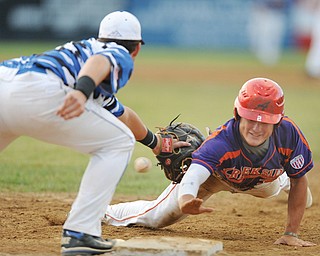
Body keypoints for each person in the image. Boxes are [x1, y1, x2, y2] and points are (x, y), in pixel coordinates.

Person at [0, 11, 187, 255]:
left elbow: (123, 115)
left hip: (6, 80)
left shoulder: (82, 53)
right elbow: (102, 61)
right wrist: (81, 90)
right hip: (39, 91)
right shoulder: (117, 53)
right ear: (137, 49)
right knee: (119, 143)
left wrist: (156, 143)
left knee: (117, 135)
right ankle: (80, 233)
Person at [104, 77, 316, 247]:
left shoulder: (289, 134)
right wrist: (186, 198)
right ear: (238, 114)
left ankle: (285, 177)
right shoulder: (221, 142)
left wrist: (291, 233)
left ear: (278, 121)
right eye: (251, 118)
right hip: (216, 177)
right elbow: (195, 174)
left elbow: (301, 180)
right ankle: (103, 212)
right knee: (158, 217)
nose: (256, 128)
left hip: (265, 181)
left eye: (265, 122)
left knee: (285, 184)